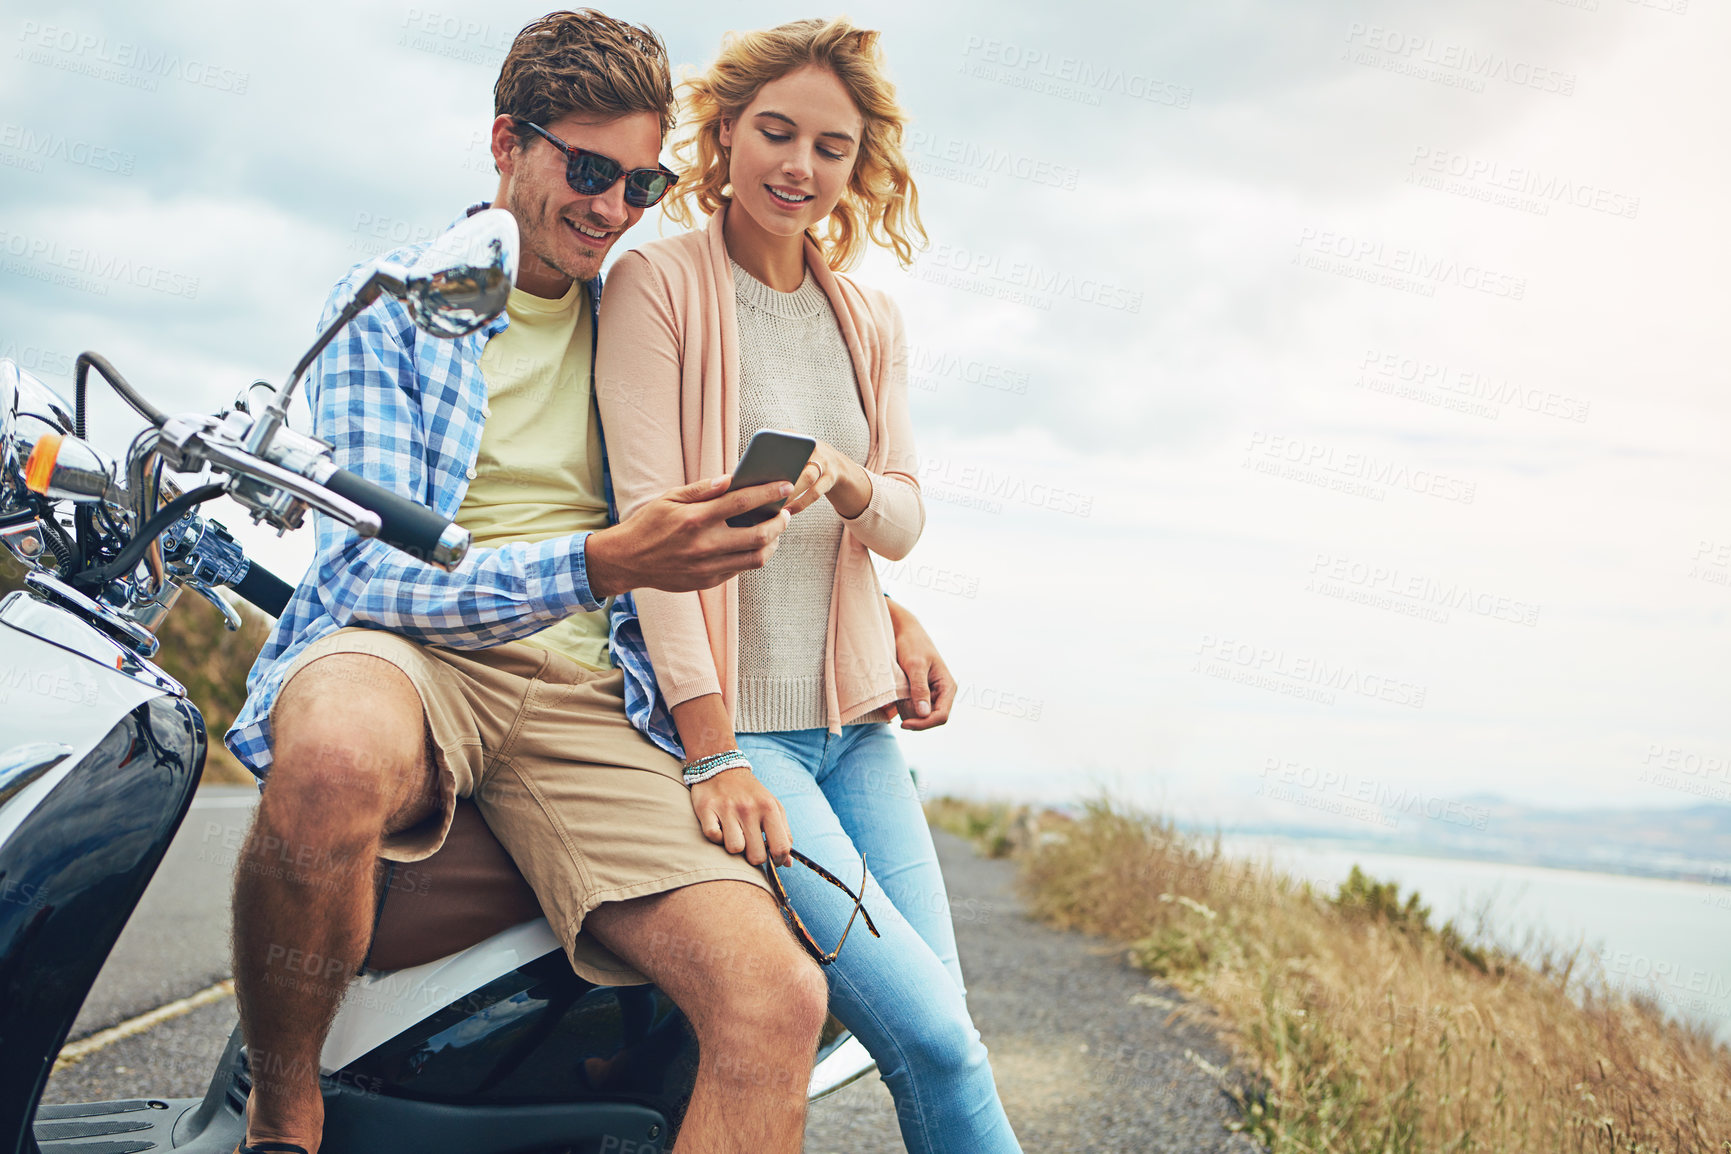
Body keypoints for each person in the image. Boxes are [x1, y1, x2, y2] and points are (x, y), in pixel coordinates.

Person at [221, 11, 955, 1154]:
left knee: (778, 1001)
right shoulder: (391, 301)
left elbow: (703, 504)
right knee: (332, 753)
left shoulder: (638, 305)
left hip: (592, 691)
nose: (612, 209)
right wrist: (595, 561)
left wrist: (885, 606)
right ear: (508, 142)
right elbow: (366, 569)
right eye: (588, 169)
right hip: (415, 653)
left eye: (640, 184)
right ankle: (284, 1111)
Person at [595, 18, 1022, 1154]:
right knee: (930, 1034)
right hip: (757, 738)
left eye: (830, 147)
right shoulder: (657, 285)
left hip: (860, 730)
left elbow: (906, 516)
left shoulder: (867, 317)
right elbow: (652, 534)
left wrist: (842, 480)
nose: (799, 166)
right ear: (723, 134)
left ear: (856, 166)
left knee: (948, 1033)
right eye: (775, 133)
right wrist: (714, 745)